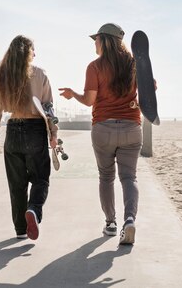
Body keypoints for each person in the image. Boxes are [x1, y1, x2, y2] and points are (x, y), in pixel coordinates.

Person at [59, 23, 142, 245]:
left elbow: (89, 101)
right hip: (132, 129)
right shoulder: (135, 64)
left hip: (103, 129)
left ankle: (111, 223)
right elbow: (145, 98)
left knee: (106, 177)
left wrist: (72, 94)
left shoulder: (95, 67)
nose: (94, 43)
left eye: (96, 39)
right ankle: (130, 220)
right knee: (129, 177)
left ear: (105, 41)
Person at [0, 35, 58, 241]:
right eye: (33, 50)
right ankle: (34, 210)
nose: (35, 54)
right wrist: (53, 133)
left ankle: (20, 229)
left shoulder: (1, 75)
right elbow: (48, 107)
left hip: (12, 131)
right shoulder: (39, 74)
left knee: (17, 184)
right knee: (40, 178)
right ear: (28, 52)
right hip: (35, 129)